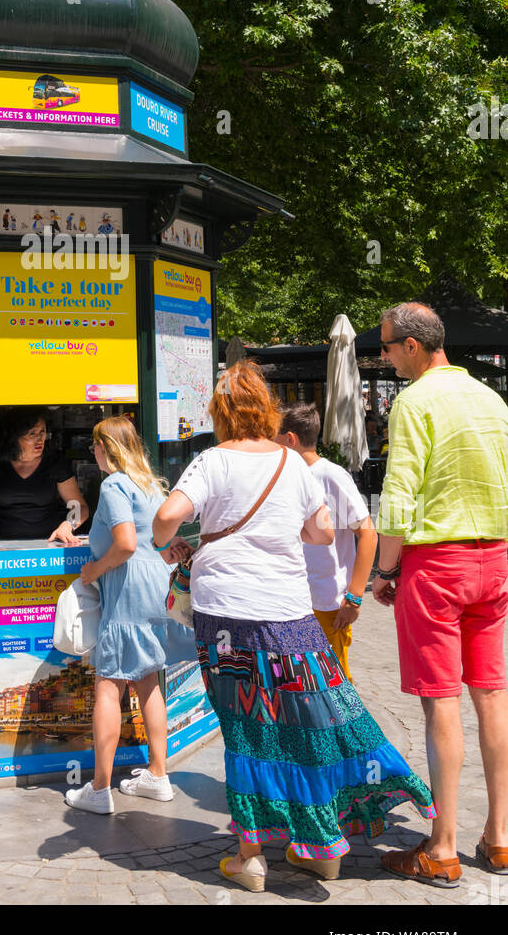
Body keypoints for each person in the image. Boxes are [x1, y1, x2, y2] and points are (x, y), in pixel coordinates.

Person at [153, 361, 435, 893]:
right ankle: (320, 847)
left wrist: (175, 538)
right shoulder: (292, 462)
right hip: (289, 613)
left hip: (227, 615)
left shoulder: (210, 461)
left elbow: (167, 518)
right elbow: (324, 532)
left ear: (220, 412)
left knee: (246, 727)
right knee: (309, 718)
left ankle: (251, 857)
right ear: (266, 408)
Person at [373, 303, 508, 886]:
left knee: (440, 702)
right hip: (494, 556)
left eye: (384, 347)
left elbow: (398, 493)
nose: (382, 357)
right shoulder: (491, 399)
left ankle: (444, 844)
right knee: (493, 696)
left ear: (411, 346)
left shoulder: (415, 401)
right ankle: (500, 837)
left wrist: (383, 570)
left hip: (438, 563)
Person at [65, 417, 183, 813]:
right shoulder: (148, 484)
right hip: (154, 588)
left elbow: (126, 544)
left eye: (95, 447)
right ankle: (158, 776)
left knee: (108, 686)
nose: (92, 454)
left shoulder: (114, 484)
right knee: (149, 678)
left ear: (107, 448)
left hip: (126, 590)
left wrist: (94, 570)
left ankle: (99, 789)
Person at [277, 402, 377, 681]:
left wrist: (354, 597)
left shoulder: (331, 476)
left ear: (290, 439)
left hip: (327, 604)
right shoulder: (287, 475)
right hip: (295, 599)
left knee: (333, 688)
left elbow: (368, 532)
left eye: (272, 436)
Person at [0, 409, 88, 546]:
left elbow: (78, 506)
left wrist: (68, 525)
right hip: (1, 546)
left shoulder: (55, 462)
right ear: (14, 437)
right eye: (32, 434)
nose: (39, 439)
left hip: (47, 546)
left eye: (42, 432)